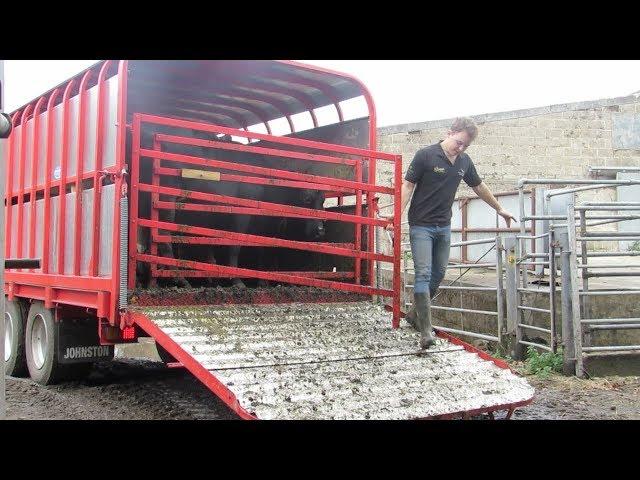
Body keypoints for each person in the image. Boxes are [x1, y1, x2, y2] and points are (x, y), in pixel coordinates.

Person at [385, 117, 516, 349]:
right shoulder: (425, 155)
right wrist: (395, 218)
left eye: (465, 145)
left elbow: (478, 186)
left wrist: (499, 209)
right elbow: (407, 186)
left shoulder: (464, 161)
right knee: (423, 274)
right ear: (449, 132)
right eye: (458, 142)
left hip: (444, 225)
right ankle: (426, 331)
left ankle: (415, 315)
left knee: (439, 274)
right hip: (421, 225)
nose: (461, 148)